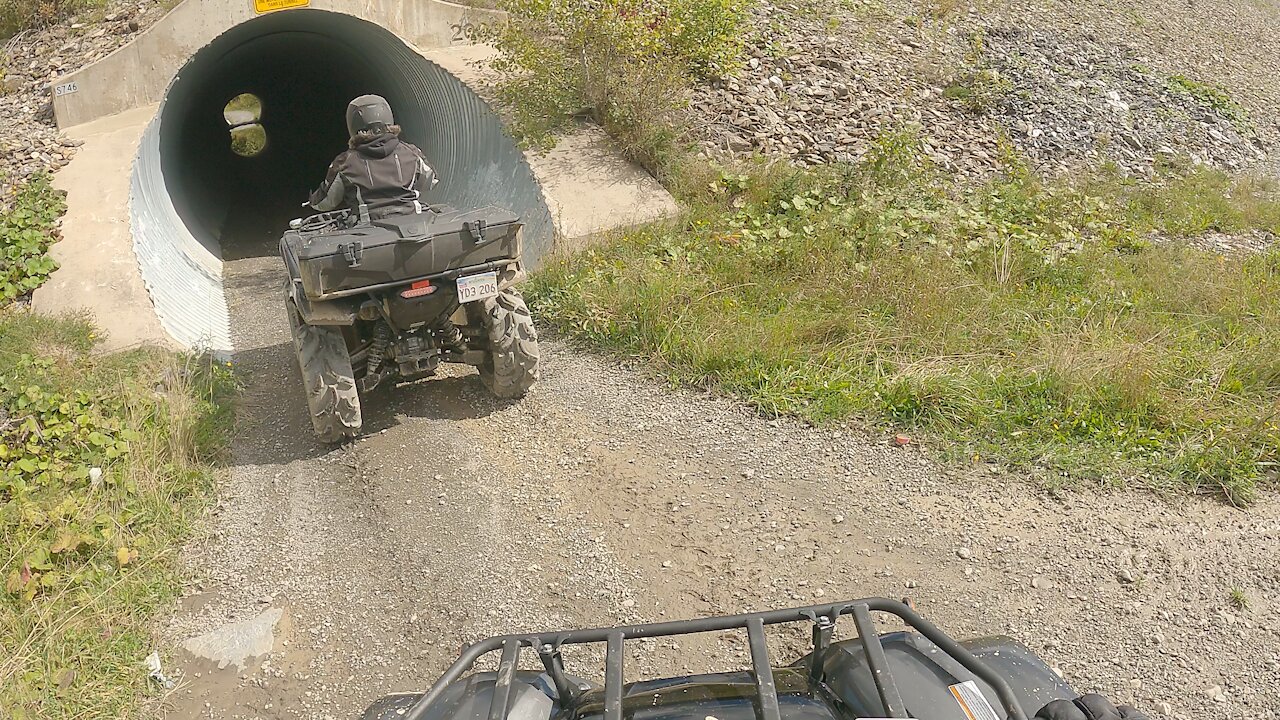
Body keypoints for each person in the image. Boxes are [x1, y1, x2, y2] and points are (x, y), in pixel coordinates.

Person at [307, 94, 439, 218]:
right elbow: (432, 181)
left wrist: (312, 200)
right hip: (412, 220)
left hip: (368, 226)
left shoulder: (345, 162)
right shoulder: (411, 152)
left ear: (352, 124)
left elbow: (325, 202)